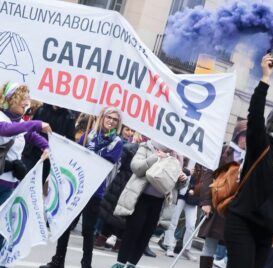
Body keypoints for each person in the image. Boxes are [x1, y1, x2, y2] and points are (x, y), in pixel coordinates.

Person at [223, 53, 273, 268]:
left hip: (267, 232)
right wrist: (265, 77)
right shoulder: (263, 144)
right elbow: (255, 113)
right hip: (243, 223)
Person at [41, 107, 125, 268]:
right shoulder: (90, 135)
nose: (111, 121)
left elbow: (108, 161)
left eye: (115, 119)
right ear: (102, 117)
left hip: (95, 190)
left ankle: (86, 264)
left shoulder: (117, 142)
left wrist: (90, 153)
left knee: (88, 229)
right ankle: (58, 260)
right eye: (109, 117)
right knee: (67, 223)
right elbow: (76, 152)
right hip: (78, 185)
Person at [111, 140, 187, 268]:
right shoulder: (147, 147)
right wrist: (155, 157)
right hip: (140, 198)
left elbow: (175, 185)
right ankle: (120, 263)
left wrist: (182, 180)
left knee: (145, 235)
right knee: (132, 231)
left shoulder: (177, 156)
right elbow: (136, 168)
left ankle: (131, 265)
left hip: (160, 202)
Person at [0, 82, 52, 252]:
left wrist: (46, 146)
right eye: (22, 98)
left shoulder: (20, 122)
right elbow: (8, 130)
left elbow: (31, 135)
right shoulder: (3, 119)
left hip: (10, 185)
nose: (26, 102)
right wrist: (37, 123)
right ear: (10, 99)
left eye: (28, 98)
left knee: (4, 230)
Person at [198, 121, 247, 268]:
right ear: (237, 135)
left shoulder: (251, 157)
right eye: (244, 135)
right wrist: (206, 202)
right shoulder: (223, 151)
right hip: (218, 205)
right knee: (209, 246)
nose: (247, 139)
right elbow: (208, 175)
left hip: (237, 209)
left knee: (234, 251)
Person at [163, 161, 200, 260]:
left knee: (191, 225)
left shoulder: (202, 162)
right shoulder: (184, 157)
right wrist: (186, 171)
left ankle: (186, 249)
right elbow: (174, 168)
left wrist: (194, 189)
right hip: (179, 193)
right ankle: (169, 247)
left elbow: (203, 180)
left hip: (192, 197)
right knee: (173, 221)